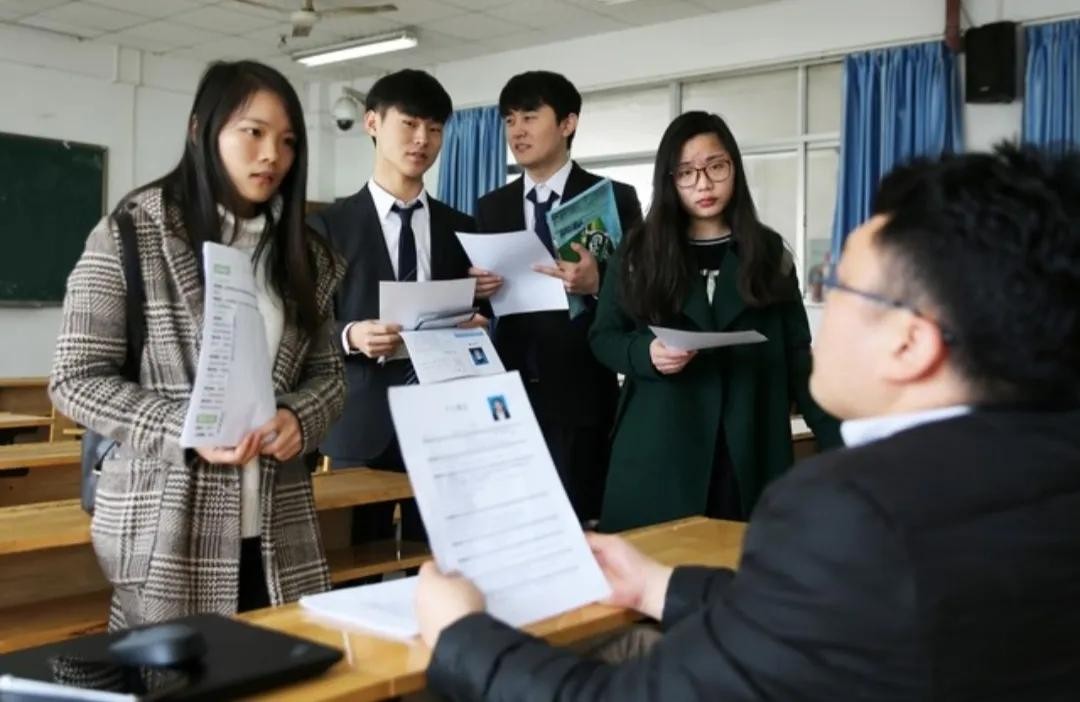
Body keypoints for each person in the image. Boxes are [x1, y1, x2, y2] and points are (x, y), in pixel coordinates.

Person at [413, 143, 1080, 699]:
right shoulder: (1049, 472)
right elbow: (837, 611)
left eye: (837, 288)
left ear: (910, 343)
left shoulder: (847, 511)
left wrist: (461, 635)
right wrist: (660, 585)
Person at [49, 60, 344, 627]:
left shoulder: (305, 255)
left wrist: (299, 417)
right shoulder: (131, 233)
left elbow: (329, 375)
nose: (272, 156)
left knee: (285, 667)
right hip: (165, 529)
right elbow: (74, 379)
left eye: (287, 141)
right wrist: (187, 428)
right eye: (253, 132)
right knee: (176, 673)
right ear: (200, 131)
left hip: (279, 529)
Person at [590, 111, 840, 531]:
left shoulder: (768, 252)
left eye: (715, 167)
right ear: (669, 180)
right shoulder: (639, 252)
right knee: (655, 563)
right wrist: (646, 354)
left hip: (747, 442)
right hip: (661, 445)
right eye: (686, 173)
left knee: (743, 561)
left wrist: (841, 441)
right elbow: (604, 337)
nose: (703, 184)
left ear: (734, 168)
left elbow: (798, 355)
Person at [307, 69, 482, 546]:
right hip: (359, 424)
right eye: (409, 124)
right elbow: (301, 330)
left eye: (435, 128)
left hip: (442, 423)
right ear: (372, 123)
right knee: (354, 568)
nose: (422, 139)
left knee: (441, 561)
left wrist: (479, 323)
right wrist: (350, 335)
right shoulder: (328, 228)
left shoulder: (461, 228)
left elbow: (479, 318)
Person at [471, 70, 641, 522]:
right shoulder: (492, 206)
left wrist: (599, 283)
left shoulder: (615, 199)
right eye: (509, 120)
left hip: (582, 392)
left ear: (568, 123)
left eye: (530, 117)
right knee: (513, 524)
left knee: (581, 525)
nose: (517, 132)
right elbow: (482, 310)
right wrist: (477, 293)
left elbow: (645, 296)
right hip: (509, 393)